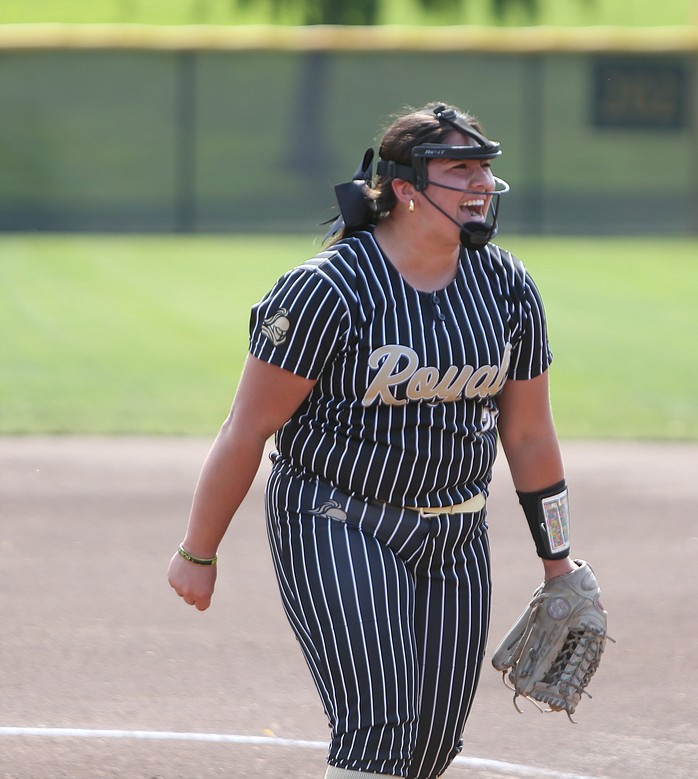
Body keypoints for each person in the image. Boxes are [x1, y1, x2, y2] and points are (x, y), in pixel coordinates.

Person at [168, 102, 584, 779]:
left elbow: (530, 433)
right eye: (460, 169)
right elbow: (248, 426)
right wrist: (198, 549)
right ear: (405, 189)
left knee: (430, 746)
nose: (480, 183)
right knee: (378, 728)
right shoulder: (328, 289)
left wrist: (558, 558)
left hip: (456, 533)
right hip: (337, 515)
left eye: (484, 168)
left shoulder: (507, 288)